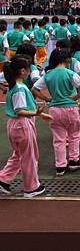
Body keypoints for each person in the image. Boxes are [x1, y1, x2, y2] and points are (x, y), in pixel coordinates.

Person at [0, 56, 51, 198]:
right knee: (29, 156)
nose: (30, 71)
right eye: (29, 69)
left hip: (15, 125)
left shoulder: (13, 87)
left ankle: (3, 179)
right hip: (22, 124)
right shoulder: (20, 89)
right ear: (23, 71)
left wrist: (40, 115)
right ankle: (31, 187)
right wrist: (36, 113)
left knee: (18, 154)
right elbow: (20, 110)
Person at [32, 49, 80, 176]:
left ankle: (60, 165)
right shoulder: (69, 73)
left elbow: (34, 89)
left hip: (54, 109)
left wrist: (47, 99)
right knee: (74, 134)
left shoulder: (48, 75)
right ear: (66, 60)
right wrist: (76, 97)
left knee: (59, 138)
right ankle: (74, 159)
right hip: (70, 108)